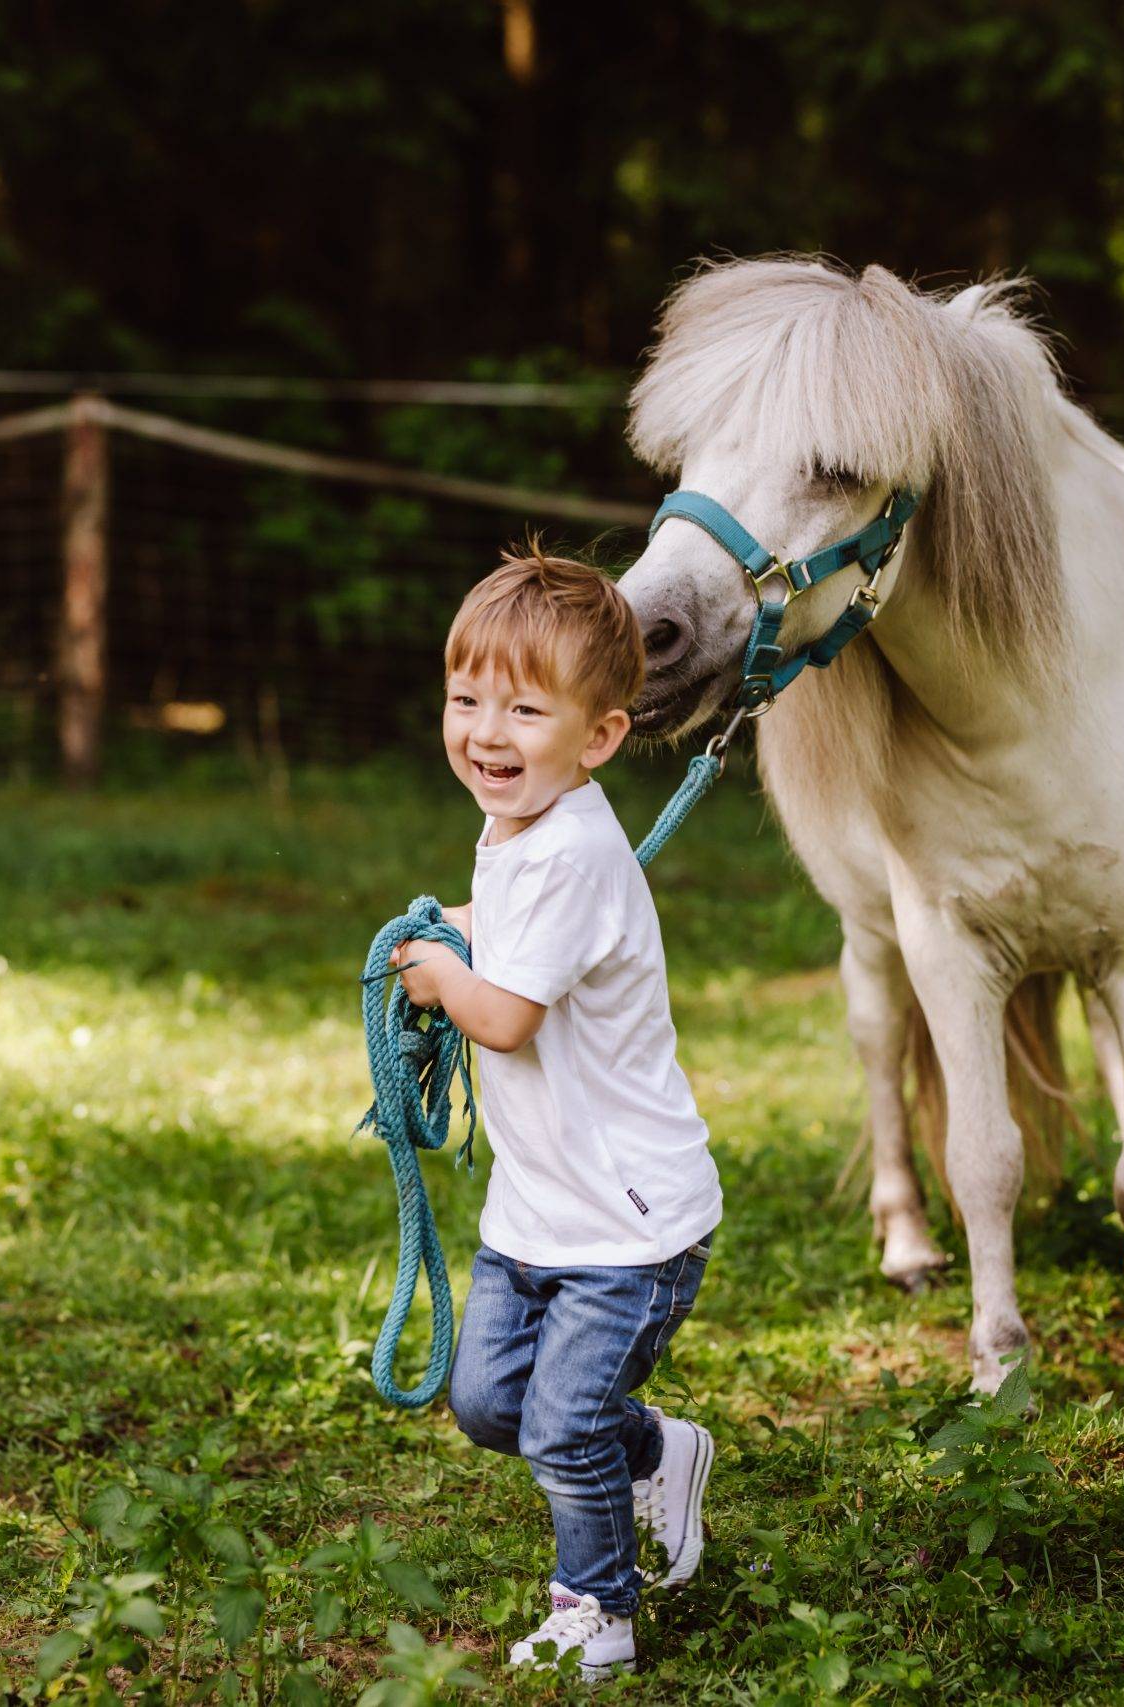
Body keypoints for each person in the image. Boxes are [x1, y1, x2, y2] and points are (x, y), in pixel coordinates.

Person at [390, 549, 720, 1682]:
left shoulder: (575, 849)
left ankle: (599, 1612)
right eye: (466, 698)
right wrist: (458, 924)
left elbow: (510, 1019)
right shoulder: (524, 822)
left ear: (600, 738)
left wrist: (439, 974)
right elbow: (511, 919)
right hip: (540, 1209)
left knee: (557, 1429)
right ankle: (660, 1451)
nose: (487, 730)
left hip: (628, 1227)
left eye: (524, 709)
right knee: (489, 1405)